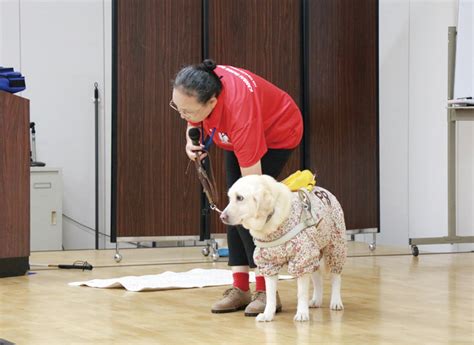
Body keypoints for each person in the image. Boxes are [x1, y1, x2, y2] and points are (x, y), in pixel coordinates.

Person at [171, 59, 303, 316]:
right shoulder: (201, 85)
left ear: (212, 103)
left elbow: (253, 194)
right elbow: (190, 113)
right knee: (233, 209)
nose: (182, 114)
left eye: (188, 111)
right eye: (177, 107)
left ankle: (266, 290)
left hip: (277, 132)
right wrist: (190, 139)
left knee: (247, 210)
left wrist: (248, 207)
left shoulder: (240, 113)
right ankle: (241, 287)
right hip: (235, 134)